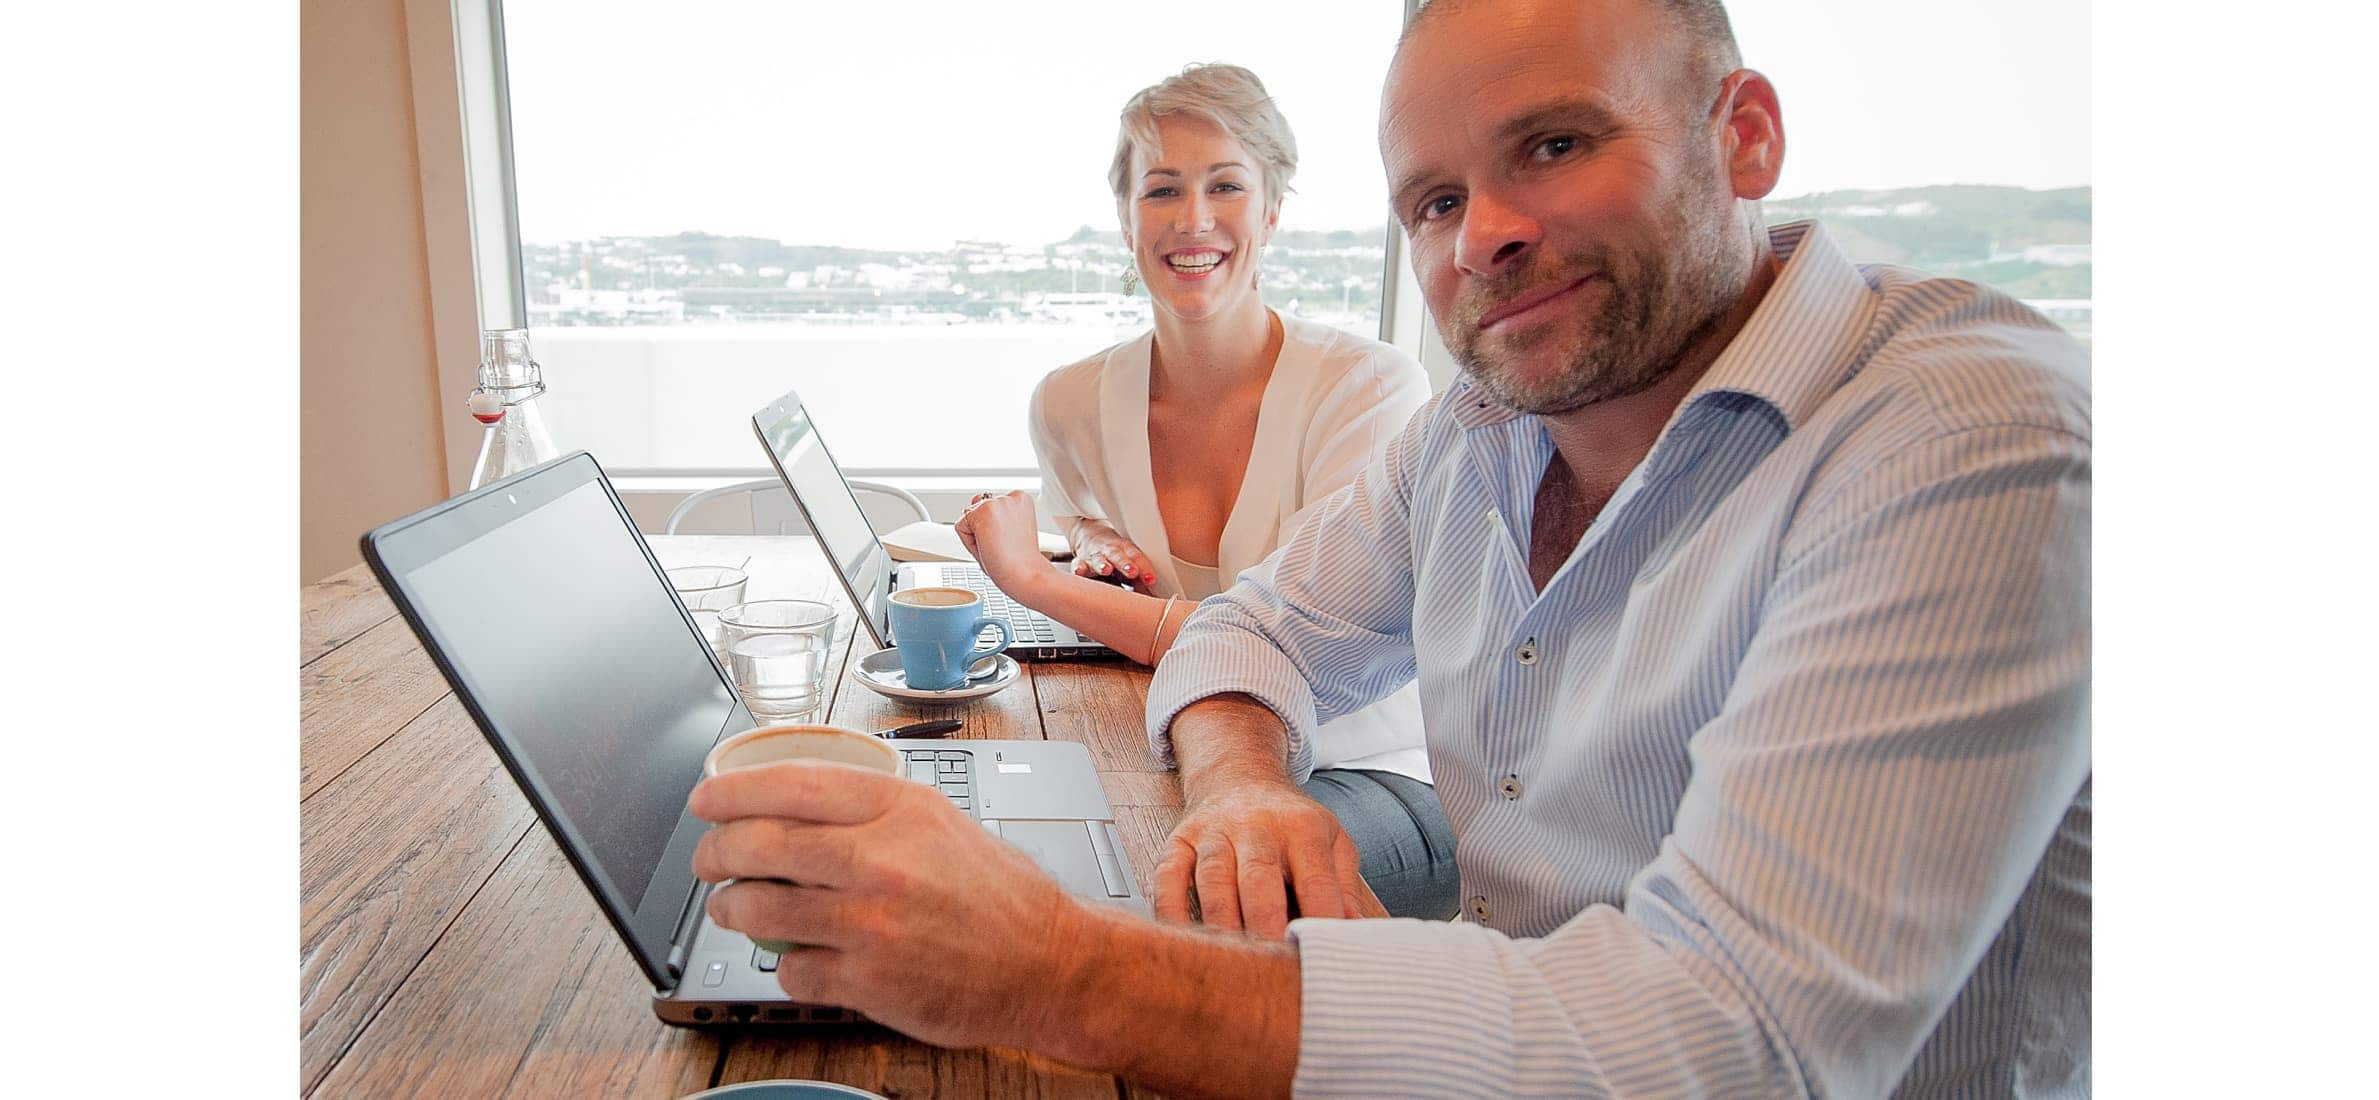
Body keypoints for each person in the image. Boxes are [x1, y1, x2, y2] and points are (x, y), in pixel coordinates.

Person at [687, 1, 2092, 1096]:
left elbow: (1725, 1050)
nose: (1487, 235)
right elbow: (1250, 631)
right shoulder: (1479, 430)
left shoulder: (1965, 436)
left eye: (1554, 145)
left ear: (1747, 137)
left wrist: (1053, 968)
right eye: (1433, 200)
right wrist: (1244, 785)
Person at [953, 63, 1457, 923]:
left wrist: (1036, 584)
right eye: (1161, 190)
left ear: (1270, 209)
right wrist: (1087, 539)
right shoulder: (1068, 403)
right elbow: (1084, 516)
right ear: (1125, 218)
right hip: (1186, 757)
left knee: (1173, 898)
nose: (1193, 220)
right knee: (1006, 846)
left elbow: (1262, 638)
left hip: (1373, 770)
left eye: (1225, 185)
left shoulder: (1370, 391)